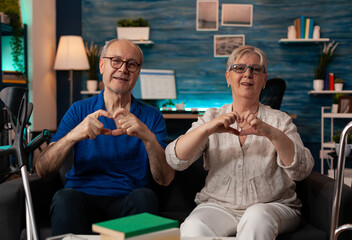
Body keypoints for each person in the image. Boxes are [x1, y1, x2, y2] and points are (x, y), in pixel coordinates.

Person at [165, 45, 314, 239]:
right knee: (192, 227)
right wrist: (207, 129)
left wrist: (272, 134)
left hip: (272, 206)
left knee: (256, 218)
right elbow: (174, 159)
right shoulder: (211, 116)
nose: (248, 74)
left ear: (264, 80)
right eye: (239, 68)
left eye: (256, 69)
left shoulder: (280, 120)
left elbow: (301, 171)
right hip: (219, 206)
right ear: (228, 77)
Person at [35, 39, 175, 235]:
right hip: (82, 197)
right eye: (116, 61)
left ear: (138, 72)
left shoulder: (152, 116)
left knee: (146, 197)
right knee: (64, 198)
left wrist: (147, 137)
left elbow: (165, 179)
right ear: (102, 65)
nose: (123, 69)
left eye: (131, 64)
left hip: (129, 200)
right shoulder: (78, 110)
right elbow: (42, 169)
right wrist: (74, 135)